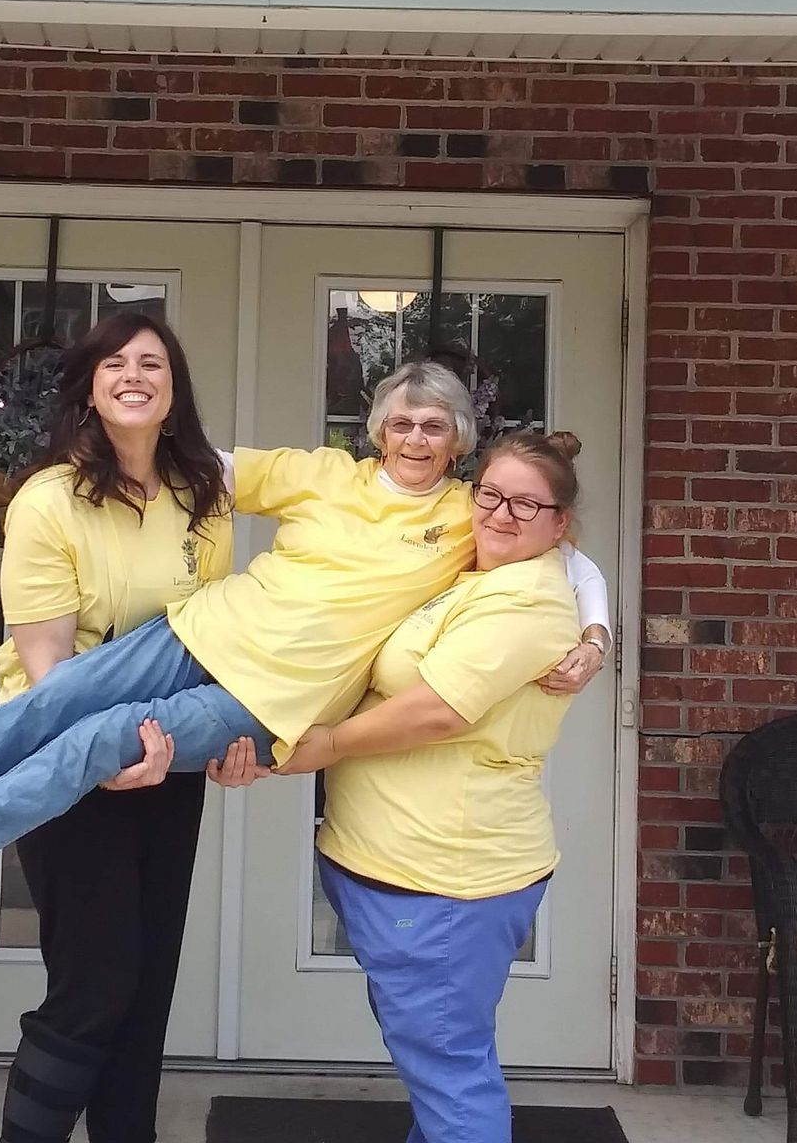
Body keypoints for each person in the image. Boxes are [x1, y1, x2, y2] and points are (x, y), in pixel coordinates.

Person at [0, 359, 610, 908]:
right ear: (377, 429)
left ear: (459, 439)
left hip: (265, 696)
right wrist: (93, 454)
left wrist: (596, 637)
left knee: (101, 738)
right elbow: (191, 464)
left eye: (434, 426)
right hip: (195, 630)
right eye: (402, 422)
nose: (416, 439)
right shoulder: (321, 474)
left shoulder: (475, 514)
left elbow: (572, 563)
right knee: (50, 697)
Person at [0, 313, 237, 1143]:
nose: (134, 373)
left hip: (166, 758)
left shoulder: (201, 497)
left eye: (153, 362)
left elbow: (209, 636)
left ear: (174, 391)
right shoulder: (48, 500)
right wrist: (107, 754)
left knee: (145, 992)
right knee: (95, 984)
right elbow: (50, 672)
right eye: (115, 363)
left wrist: (215, 735)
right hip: (60, 761)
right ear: (90, 389)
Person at [274, 430, 602, 1143]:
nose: (500, 513)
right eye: (491, 494)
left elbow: (438, 709)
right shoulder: (470, 570)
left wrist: (324, 745)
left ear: (559, 525)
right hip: (394, 868)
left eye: (526, 503)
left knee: (450, 1073)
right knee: (438, 1060)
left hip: (443, 881)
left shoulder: (528, 601)